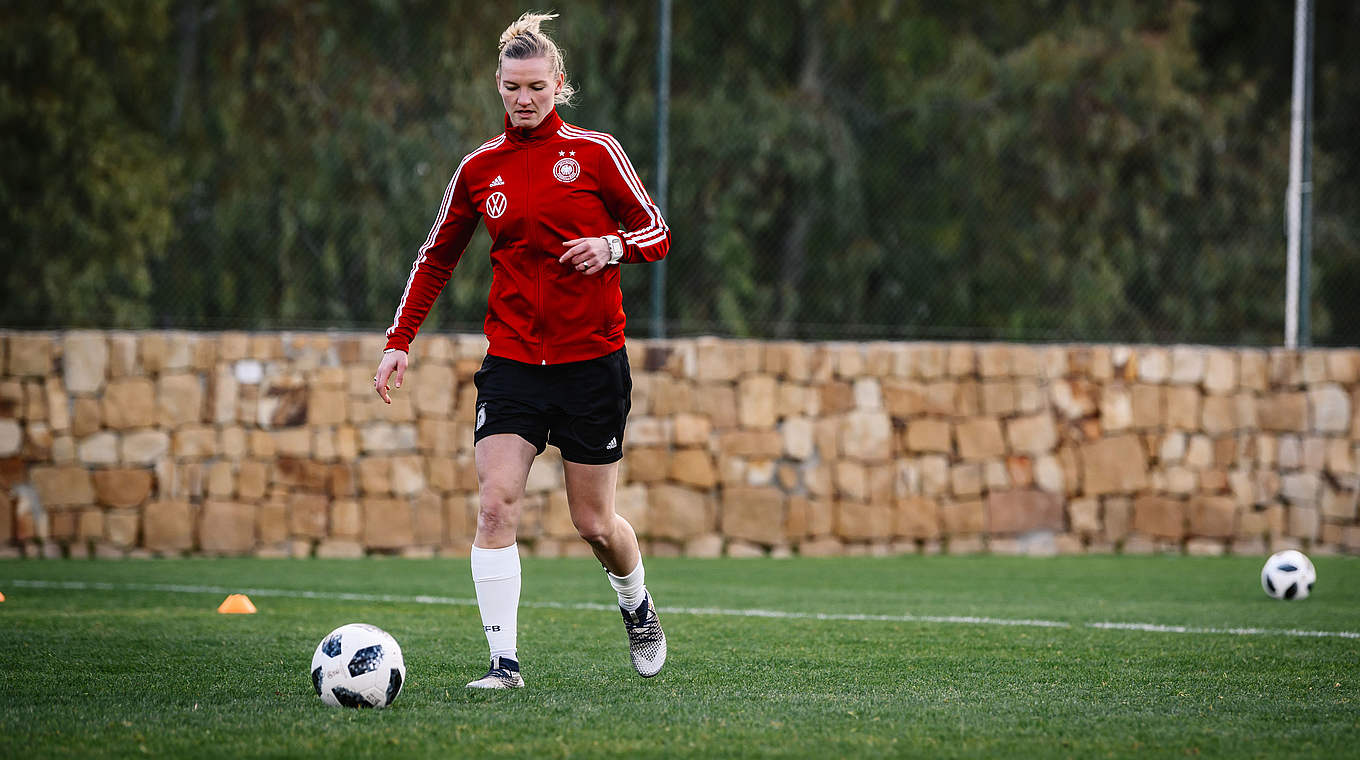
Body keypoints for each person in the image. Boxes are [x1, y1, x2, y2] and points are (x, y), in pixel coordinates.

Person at [373, 11, 670, 689]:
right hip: (512, 365)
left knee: (594, 523)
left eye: (536, 85)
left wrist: (612, 246)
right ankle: (503, 666)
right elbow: (434, 259)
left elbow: (657, 230)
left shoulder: (597, 153)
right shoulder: (482, 167)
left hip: (592, 363)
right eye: (512, 87)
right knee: (496, 503)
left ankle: (636, 603)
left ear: (559, 84)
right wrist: (399, 342)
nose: (524, 98)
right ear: (499, 86)